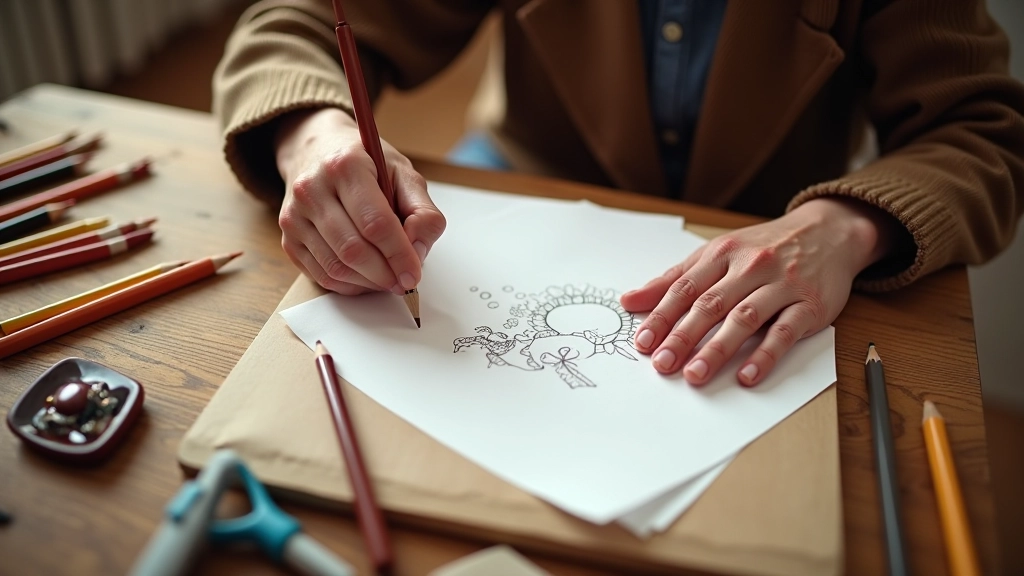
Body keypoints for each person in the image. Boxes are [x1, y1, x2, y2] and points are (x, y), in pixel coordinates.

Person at [213, 0, 1024, 386]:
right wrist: (316, 134)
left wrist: (846, 226)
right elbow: (296, 25)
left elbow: (984, 132)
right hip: (513, 186)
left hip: (773, 234)